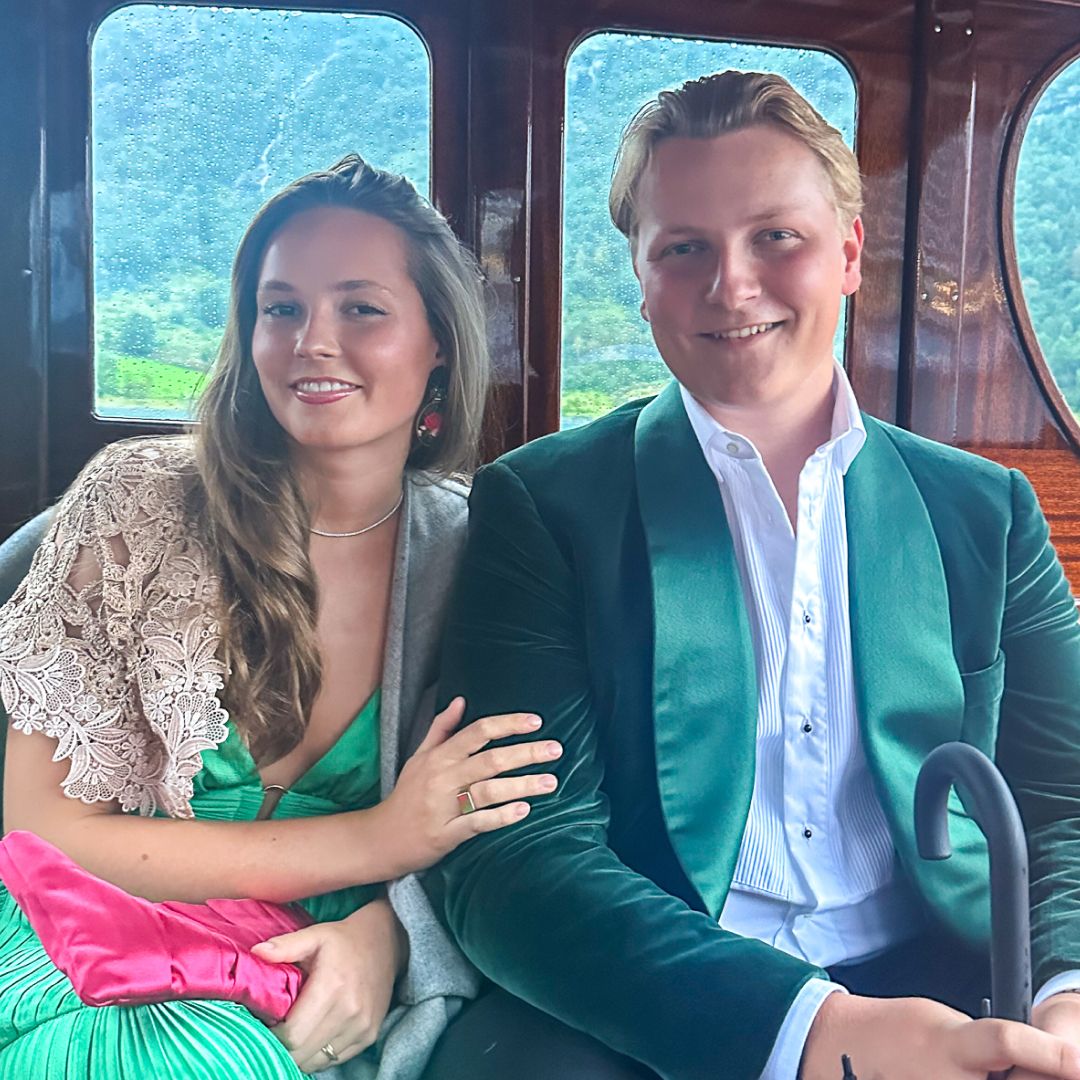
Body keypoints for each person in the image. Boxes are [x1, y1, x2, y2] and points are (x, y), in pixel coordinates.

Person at [428, 72, 1080, 1080]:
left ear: (850, 253)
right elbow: (512, 854)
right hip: (663, 981)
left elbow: (1065, 797)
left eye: (777, 237)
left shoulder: (983, 513)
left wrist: (1067, 996)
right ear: (641, 279)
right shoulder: (545, 508)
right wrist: (811, 1031)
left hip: (947, 972)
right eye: (683, 248)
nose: (730, 286)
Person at [0, 155, 562, 1080]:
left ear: (439, 347)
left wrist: (390, 935)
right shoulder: (133, 505)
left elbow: (533, 822)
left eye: (362, 308)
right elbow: (44, 833)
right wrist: (375, 841)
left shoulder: (487, 552)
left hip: (313, 986)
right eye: (282, 308)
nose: (314, 341)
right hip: (81, 945)